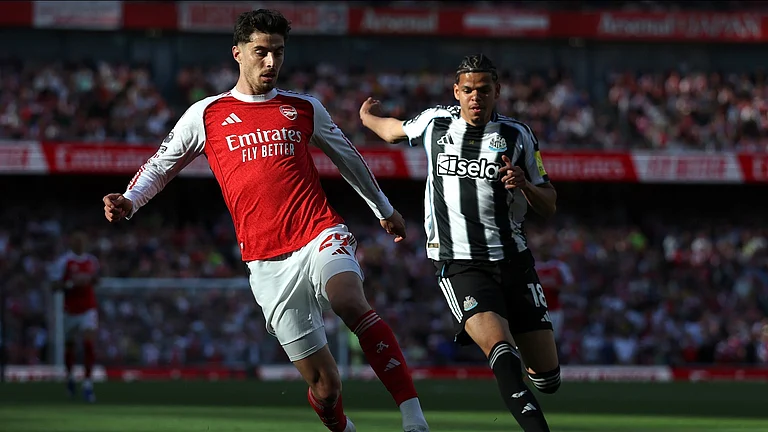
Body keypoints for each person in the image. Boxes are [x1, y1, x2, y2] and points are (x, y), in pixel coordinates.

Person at [101, 9, 428, 432]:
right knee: (325, 387)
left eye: (278, 52)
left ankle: (414, 418)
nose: (271, 62)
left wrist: (384, 210)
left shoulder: (304, 108)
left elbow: (349, 160)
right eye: (261, 52)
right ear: (238, 53)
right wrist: (130, 199)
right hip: (266, 263)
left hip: (319, 232)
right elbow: (162, 165)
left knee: (348, 299)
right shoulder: (207, 114)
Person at [360, 54, 560, 432]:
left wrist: (526, 185)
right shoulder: (436, 123)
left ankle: (534, 374)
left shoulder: (518, 136)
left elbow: (549, 203)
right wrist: (366, 117)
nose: (475, 97)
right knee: (501, 354)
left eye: (484, 90)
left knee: (548, 379)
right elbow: (393, 131)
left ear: (497, 92)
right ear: (457, 91)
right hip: (460, 264)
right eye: (468, 90)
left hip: (514, 261)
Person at [49, 232, 100, 403]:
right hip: (70, 310)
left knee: (88, 344)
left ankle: (87, 384)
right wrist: (71, 283)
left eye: (82, 241)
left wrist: (91, 280)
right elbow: (54, 285)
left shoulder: (91, 261)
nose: (80, 244)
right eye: (77, 241)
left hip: (88, 309)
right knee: (69, 347)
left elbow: (96, 280)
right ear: (72, 243)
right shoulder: (64, 262)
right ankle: (70, 378)